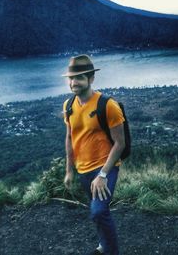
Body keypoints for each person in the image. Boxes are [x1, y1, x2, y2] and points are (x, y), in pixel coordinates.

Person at [62, 54, 125, 255]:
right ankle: (103, 244)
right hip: (83, 169)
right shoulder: (68, 106)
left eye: (79, 77)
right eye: (71, 78)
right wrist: (69, 171)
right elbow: (70, 138)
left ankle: (111, 251)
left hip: (105, 167)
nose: (73, 82)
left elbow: (120, 143)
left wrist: (103, 175)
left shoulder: (107, 105)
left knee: (98, 211)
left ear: (91, 79)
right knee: (97, 212)